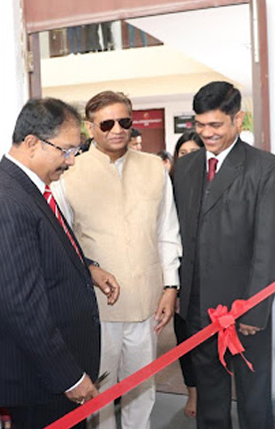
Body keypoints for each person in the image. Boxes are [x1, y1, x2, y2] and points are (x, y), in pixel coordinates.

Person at [0, 97, 120, 429]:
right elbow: (22, 306)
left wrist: (87, 269)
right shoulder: (6, 202)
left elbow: (41, 253)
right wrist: (69, 377)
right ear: (32, 143)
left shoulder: (29, 188)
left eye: (76, 151)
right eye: (66, 150)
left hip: (51, 370)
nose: (71, 161)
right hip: (41, 380)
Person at [52, 91, 181, 429]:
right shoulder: (69, 172)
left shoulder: (154, 168)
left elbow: (167, 231)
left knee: (142, 388)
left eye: (124, 121)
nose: (118, 130)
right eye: (107, 124)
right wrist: (89, 269)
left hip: (146, 300)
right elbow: (61, 241)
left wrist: (171, 286)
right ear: (89, 127)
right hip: (96, 306)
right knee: (101, 391)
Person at [173, 81, 275, 428]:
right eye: (200, 124)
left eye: (215, 124)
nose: (206, 133)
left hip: (244, 307)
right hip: (198, 308)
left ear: (238, 119)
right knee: (210, 398)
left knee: (253, 397)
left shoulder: (264, 168)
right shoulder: (186, 167)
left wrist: (254, 310)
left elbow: (267, 245)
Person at [170, 130, 204, 418]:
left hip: (211, 278)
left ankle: (212, 391)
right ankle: (192, 392)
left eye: (195, 153)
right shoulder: (169, 189)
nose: (190, 159)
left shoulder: (216, 186)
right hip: (180, 278)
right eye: (184, 154)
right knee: (185, 340)